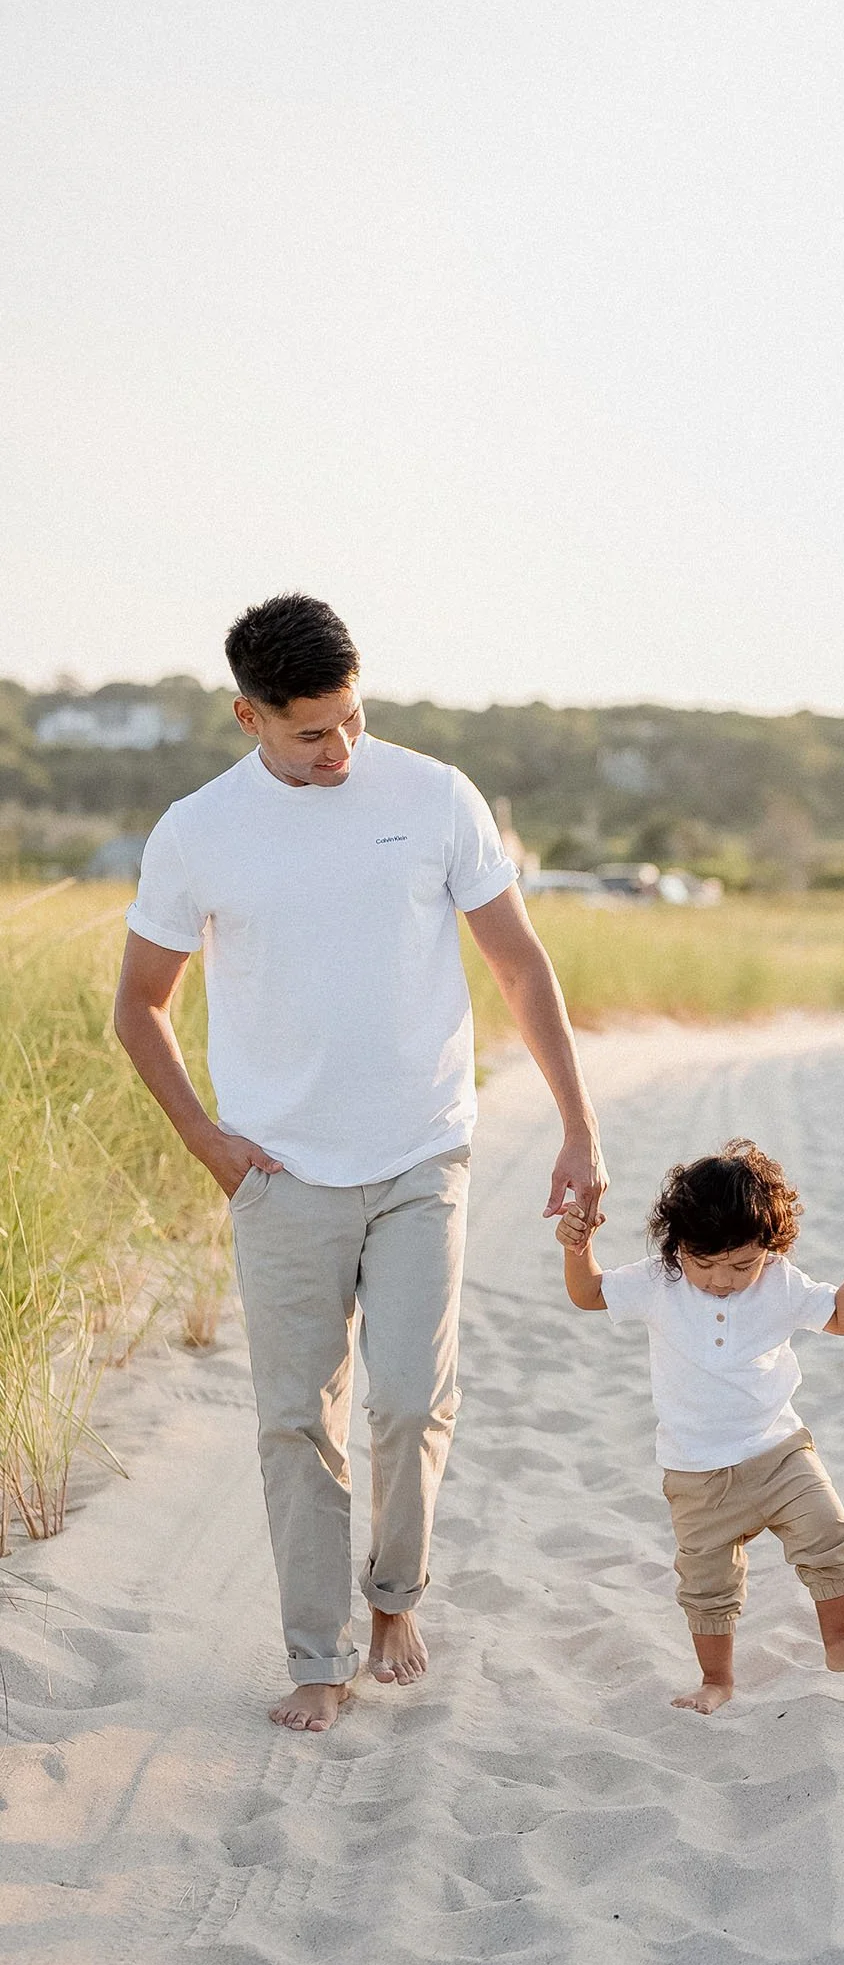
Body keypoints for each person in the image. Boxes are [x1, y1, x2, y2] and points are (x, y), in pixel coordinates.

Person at [113, 593, 606, 1734]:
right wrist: (209, 1142)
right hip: (279, 1174)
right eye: (308, 733)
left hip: (421, 1152)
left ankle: (393, 1598)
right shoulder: (197, 830)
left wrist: (578, 1128)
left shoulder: (435, 796)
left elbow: (522, 968)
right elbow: (138, 1007)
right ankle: (314, 1654)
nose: (338, 749)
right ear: (247, 716)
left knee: (408, 1401)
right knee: (295, 1417)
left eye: (350, 718)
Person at [557, 1140, 844, 1716]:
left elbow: (843, 1319)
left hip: (778, 1449)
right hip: (695, 1469)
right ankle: (717, 1679)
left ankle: (840, 1645)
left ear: (771, 1247)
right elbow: (587, 1294)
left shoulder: (780, 1283)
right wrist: (579, 1246)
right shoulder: (658, 1281)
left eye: (741, 1264)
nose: (721, 1280)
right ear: (676, 1247)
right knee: (707, 1585)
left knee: (830, 1537)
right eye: (704, 1263)